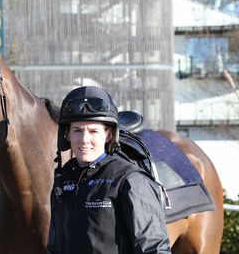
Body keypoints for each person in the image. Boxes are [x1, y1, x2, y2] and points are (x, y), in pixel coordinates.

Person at [47, 86, 171, 254]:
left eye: (93, 131)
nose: (84, 139)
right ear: (67, 135)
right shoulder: (63, 178)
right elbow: (55, 245)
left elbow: (154, 248)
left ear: (109, 135)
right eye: (77, 130)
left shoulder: (129, 179)